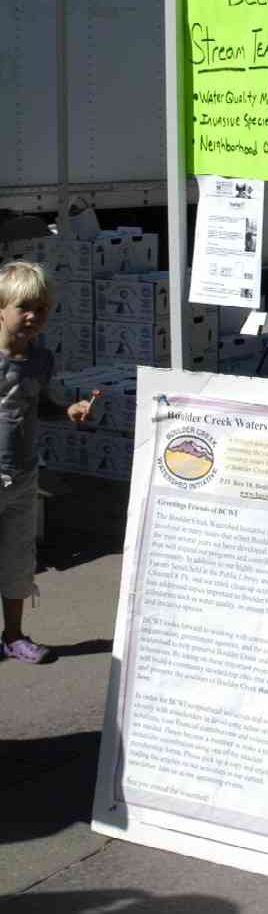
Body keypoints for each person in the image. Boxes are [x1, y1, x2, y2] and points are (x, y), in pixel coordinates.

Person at [0, 262, 94, 662]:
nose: (33, 316)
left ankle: (14, 636)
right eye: (24, 307)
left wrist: (68, 410)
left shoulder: (42, 359)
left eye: (41, 309)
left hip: (23, 476)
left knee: (19, 561)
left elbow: (42, 405)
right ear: (0, 308)